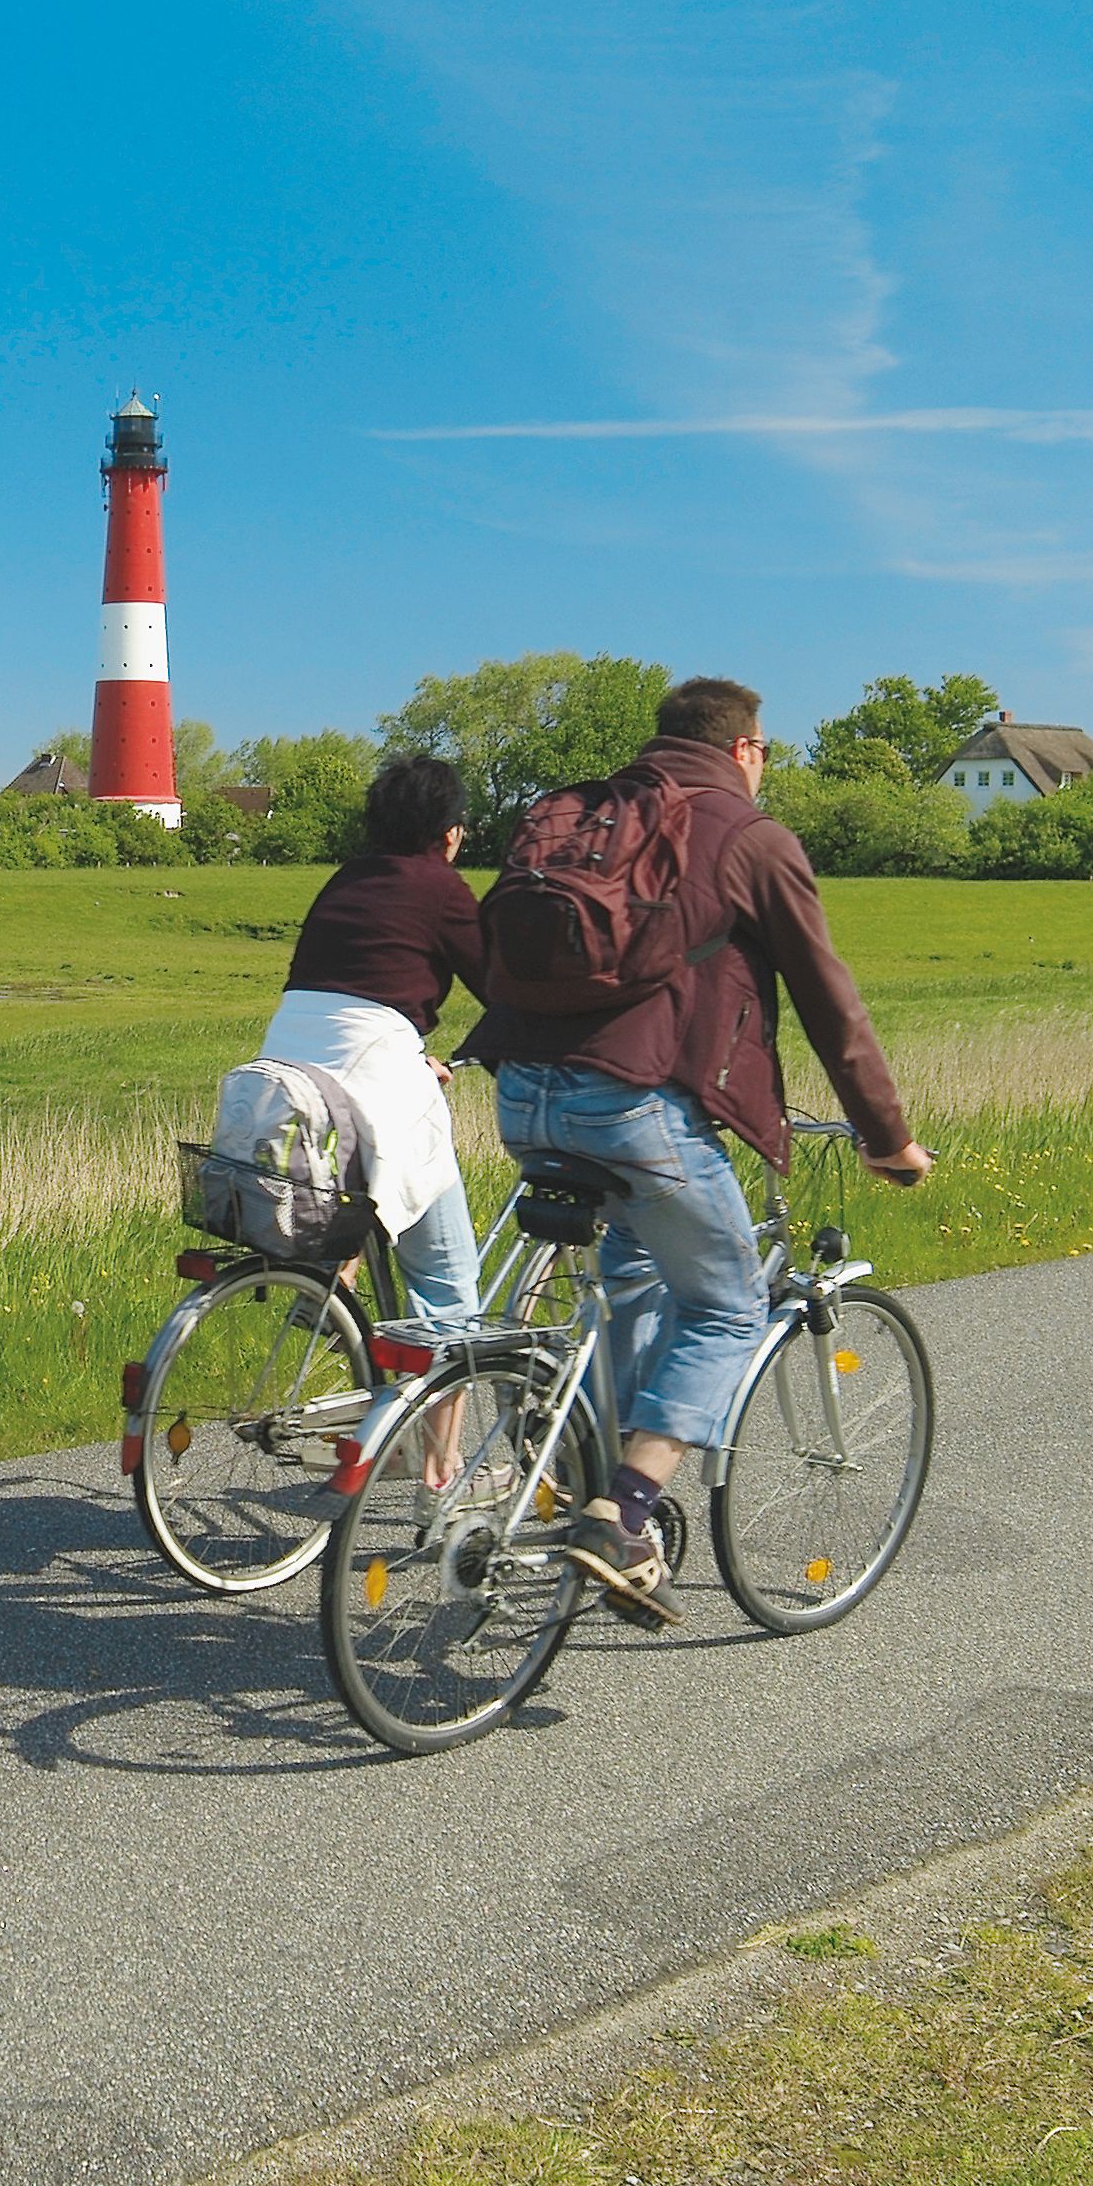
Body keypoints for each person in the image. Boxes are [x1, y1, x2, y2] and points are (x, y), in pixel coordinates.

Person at [458, 677, 933, 1625]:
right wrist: (888, 1139)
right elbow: (830, 1003)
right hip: (633, 1110)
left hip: (519, 1092)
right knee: (725, 1306)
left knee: (635, 1272)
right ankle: (621, 1510)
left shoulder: (588, 815)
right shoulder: (751, 838)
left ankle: (599, 1472)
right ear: (746, 749)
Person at [259, 753, 496, 1331]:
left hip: (292, 1069)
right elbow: (500, 984)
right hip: (373, 1076)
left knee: (363, 1188)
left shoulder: (347, 879)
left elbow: (349, 993)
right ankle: (417, 1392)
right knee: (449, 1296)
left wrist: (412, 1063)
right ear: (450, 832)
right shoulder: (441, 886)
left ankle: (336, 1278)